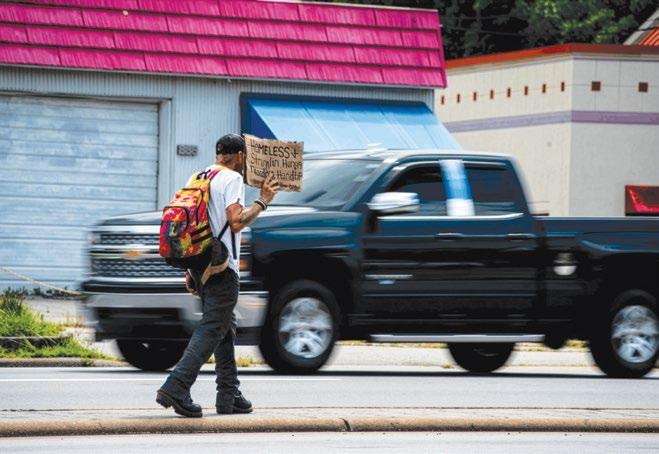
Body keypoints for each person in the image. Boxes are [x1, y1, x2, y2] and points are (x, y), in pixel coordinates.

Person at [157, 133, 279, 418]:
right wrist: (263, 201)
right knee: (213, 327)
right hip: (222, 266)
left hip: (201, 263)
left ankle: (228, 393)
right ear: (240, 156)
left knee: (225, 326)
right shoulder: (232, 178)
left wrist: (191, 270)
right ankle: (177, 386)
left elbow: (193, 224)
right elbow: (236, 222)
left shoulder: (199, 176)